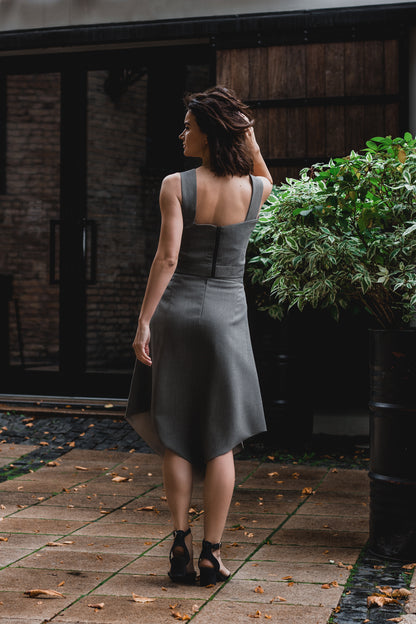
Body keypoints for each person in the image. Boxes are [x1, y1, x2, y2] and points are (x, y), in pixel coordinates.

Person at [125, 86, 273, 587]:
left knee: (176, 435)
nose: (183, 133)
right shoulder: (256, 190)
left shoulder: (175, 185)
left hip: (177, 312)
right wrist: (249, 137)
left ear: (208, 134)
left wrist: (144, 321)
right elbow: (264, 173)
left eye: (189, 126)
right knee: (220, 440)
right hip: (227, 315)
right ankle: (212, 553)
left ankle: (180, 543)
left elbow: (167, 259)